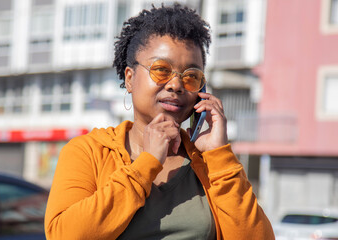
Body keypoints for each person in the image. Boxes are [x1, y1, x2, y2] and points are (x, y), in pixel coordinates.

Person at [44, 3, 274, 240]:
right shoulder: (89, 152)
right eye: (161, 70)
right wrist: (147, 164)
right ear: (130, 79)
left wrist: (219, 156)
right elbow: (65, 235)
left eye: (191, 76)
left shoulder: (208, 163)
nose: (176, 85)